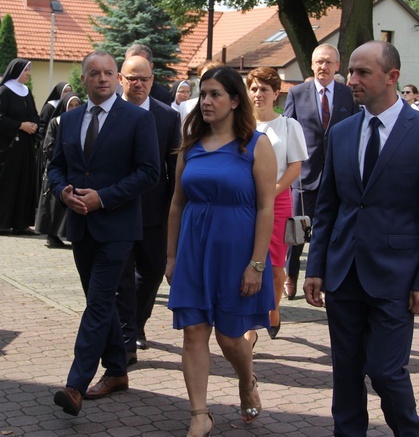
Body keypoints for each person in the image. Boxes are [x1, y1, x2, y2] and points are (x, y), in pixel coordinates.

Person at [303, 41, 419, 437]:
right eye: (350, 71)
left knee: (386, 371)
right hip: (343, 273)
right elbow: (328, 207)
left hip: (396, 278)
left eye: (362, 72)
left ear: (391, 77)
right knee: (346, 371)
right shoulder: (342, 132)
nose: (351, 80)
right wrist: (315, 266)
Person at [165, 65, 276, 436]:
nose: (207, 101)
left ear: (234, 100)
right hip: (194, 252)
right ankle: (199, 413)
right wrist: (171, 256)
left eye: (215, 94)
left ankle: (246, 381)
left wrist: (257, 264)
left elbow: (266, 207)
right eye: (204, 93)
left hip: (237, 253)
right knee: (194, 332)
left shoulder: (256, 145)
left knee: (230, 337)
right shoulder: (191, 145)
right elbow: (177, 204)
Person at [48, 51, 159, 417]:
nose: (102, 79)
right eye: (94, 74)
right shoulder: (69, 120)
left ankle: (75, 385)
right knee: (102, 303)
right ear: (84, 79)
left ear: (118, 78)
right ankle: (117, 370)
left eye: (108, 73)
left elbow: (149, 172)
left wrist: (103, 199)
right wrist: (62, 191)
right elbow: (56, 167)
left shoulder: (136, 120)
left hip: (117, 228)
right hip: (80, 227)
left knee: (97, 303)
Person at [115, 55, 181, 362]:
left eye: (144, 78)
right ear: (121, 80)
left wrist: (173, 211)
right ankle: (128, 334)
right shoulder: (110, 113)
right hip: (117, 210)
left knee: (153, 271)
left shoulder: (167, 117)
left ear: (152, 80)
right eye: (132, 78)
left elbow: (173, 168)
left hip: (154, 212)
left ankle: (136, 323)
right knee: (122, 276)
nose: (138, 84)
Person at [282, 43, 357, 299]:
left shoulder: (348, 95)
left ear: (337, 66)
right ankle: (290, 276)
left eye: (328, 62)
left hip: (336, 175)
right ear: (312, 65)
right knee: (296, 232)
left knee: (328, 233)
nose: (323, 67)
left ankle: (321, 279)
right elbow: (289, 131)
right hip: (304, 176)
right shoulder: (297, 92)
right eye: (318, 62)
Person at [246, 66, 307, 342]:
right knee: (246, 259)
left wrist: (274, 190)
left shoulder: (288, 125)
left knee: (274, 264)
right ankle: (248, 322)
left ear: (276, 94)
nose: (258, 94)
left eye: (264, 90)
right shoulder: (240, 125)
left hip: (278, 200)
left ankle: (273, 309)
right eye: (254, 89)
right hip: (245, 200)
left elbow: (295, 165)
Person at [0, 58, 40, 234]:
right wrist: (20, 125)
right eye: (26, 70)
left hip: (23, 146)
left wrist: (33, 124)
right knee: (0, 183)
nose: (28, 74)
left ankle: (21, 223)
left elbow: (33, 113)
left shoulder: (26, 92)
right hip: (5, 146)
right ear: (17, 71)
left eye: (29, 70)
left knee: (22, 182)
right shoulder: (3, 91)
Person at [35, 92, 82, 248]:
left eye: (77, 105)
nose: (74, 108)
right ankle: (52, 234)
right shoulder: (56, 122)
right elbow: (48, 147)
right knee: (54, 205)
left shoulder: (82, 122)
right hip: (58, 168)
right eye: (71, 105)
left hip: (74, 169)